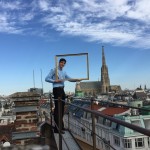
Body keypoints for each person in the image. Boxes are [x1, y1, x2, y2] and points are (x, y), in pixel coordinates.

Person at [45, 58, 80, 133]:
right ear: (59, 63)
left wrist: (77, 80)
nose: (62, 64)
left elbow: (69, 79)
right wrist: (55, 80)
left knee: (61, 109)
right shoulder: (54, 70)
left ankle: (61, 127)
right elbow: (46, 78)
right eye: (61, 62)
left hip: (62, 89)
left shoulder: (64, 72)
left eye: (64, 63)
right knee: (58, 109)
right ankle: (57, 129)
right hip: (57, 89)